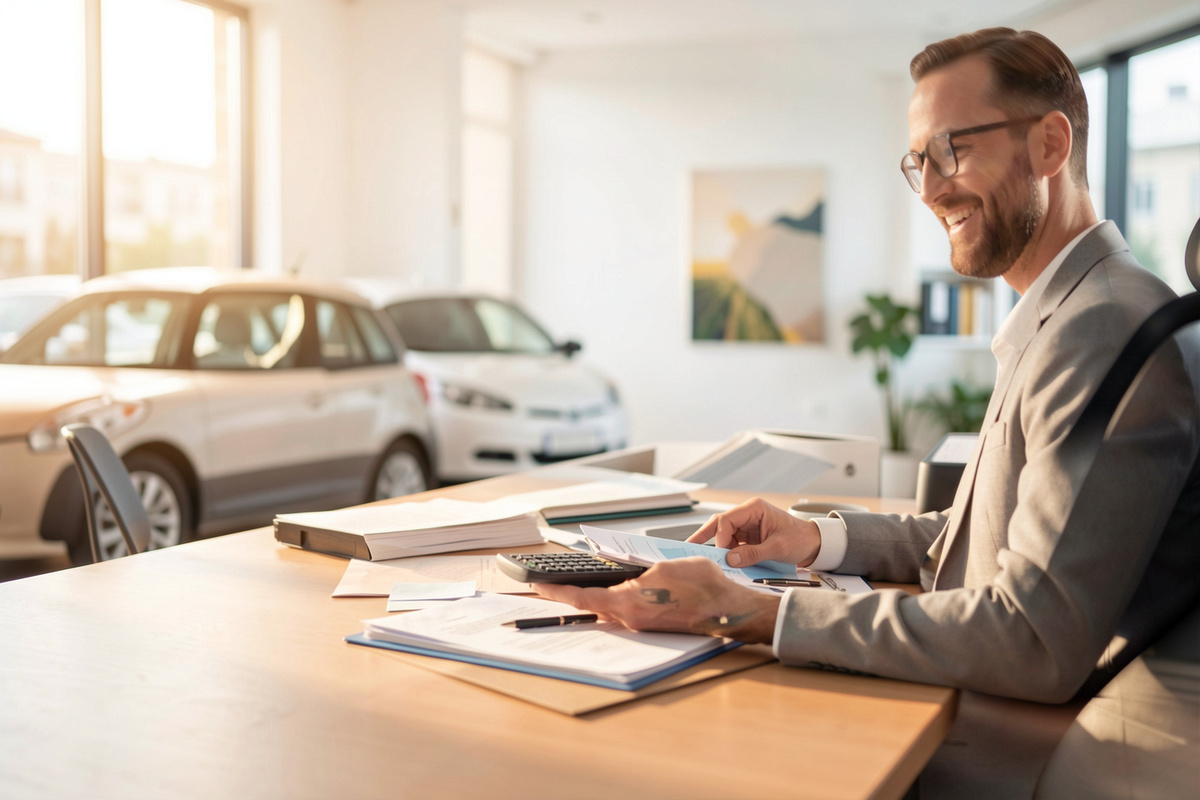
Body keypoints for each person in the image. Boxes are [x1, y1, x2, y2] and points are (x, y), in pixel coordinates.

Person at [537, 27, 1200, 799]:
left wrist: (750, 614)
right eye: (919, 161)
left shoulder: (1101, 326)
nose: (930, 188)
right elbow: (986, 541)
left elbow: (1031, 638)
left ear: (1051, 144)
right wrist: (819, 538)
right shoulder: (1074, 312)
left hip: (1082, 748)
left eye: (953, 149)